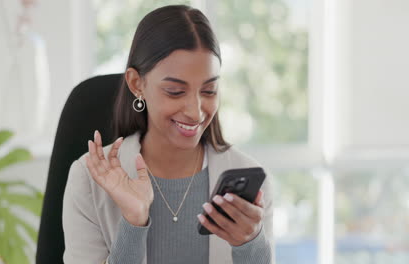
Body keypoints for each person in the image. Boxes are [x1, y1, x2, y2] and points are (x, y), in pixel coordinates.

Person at [62, 5, 274, 264]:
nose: (195, 113)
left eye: (208, 91)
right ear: (136, 84)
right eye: (175, 91)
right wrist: (133, 223)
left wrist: (249, 244)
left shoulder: (249, 183)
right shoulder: (88, 179)